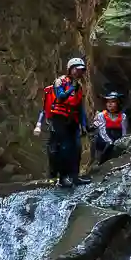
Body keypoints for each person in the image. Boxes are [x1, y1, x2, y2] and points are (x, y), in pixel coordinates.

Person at [35, 56, 90, 186]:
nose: (79, 73)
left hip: (73, 120)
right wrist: (72, 88)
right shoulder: (60, 82)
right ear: (70, 69)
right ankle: (63, 178)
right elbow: (60, 97)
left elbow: (80, 107)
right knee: (63, 148)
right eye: (77, 69)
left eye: (82, 70)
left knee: (76, 148)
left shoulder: (79, 87)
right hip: (59, 120)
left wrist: (84, 124)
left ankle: (75, 176)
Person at [91, 91, 128, 164]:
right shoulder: (101, 115)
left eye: (113, 102)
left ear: (118, 103)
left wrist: (122, 142)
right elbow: (102, 131)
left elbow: (124, 132)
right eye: (108, 102)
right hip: (103, 140)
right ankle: (99, 162)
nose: (110, 104)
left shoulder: (123, 116)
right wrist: (109, 141)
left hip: (116, 139)